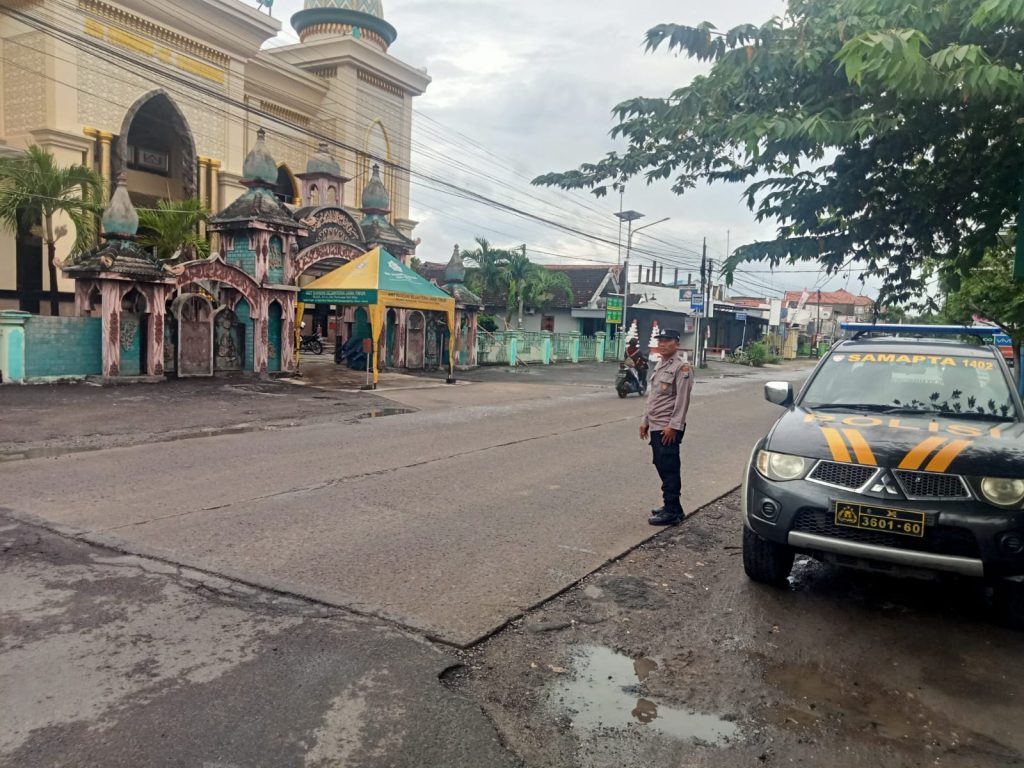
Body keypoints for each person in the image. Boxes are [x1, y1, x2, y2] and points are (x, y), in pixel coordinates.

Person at [639, 329, 695, 526]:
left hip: (668, 427)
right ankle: (672, 507)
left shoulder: (682, 368)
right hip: (655, 425)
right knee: (661, 464)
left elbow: (682, 400)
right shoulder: (660, 365)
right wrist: (645, 420)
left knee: (669, 468)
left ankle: (672, 511)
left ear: (676, 343)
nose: (662, 344)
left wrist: (674, 426)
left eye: (667, 340)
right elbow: (653, 396)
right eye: (660, 340)